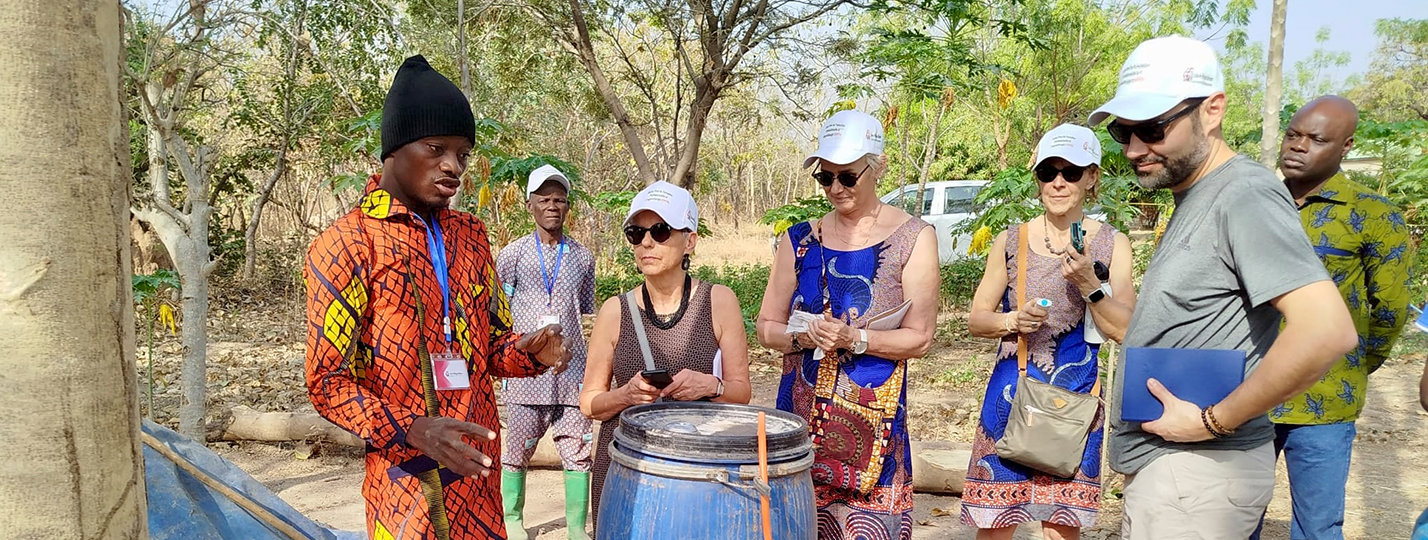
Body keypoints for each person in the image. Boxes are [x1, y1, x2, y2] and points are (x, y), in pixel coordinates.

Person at [1087, 36, 1358, 539]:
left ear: (1211, 111)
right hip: (1176, 475)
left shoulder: (1245, 194)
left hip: (1197, 475)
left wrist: (1214, 421)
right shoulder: (1200, 196)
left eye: (1151, 128)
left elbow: (1326, 332)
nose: (1133, 149)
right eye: (1124, 132)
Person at [304, 55, 571, 540]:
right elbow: (327, 382)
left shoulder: (471, 236)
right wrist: (410, 428)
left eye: (463, 154)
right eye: (436, 148)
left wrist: (529, 353)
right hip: (404, 489)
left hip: (478, 481)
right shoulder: (347, 244)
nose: (453, 166)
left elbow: (491, 346)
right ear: (394, 150)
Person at [754, 109, 940, 539]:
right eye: (825, 178)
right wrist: (802, 335)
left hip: (874, 423)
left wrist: (854, 338)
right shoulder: (799, 239)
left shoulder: (913, 237)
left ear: (879, 167)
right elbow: (766, 326)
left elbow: (920, 338)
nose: (835, 188)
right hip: (801, 421)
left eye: (848, 177)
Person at [1246, 96, 1413, 540]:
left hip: (1323, 400)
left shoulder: (1373, 216)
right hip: (1245, 392)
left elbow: (1390, 309)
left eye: (1316, 139)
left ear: (1346, 146)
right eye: (1293, 134)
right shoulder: (1252, 204)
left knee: (1317, 525)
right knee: (1234, 516)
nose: (1298, 146)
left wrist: (1350, 363)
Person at [959, 124, 1137, 539]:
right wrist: (1011, 321)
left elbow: (1125, 329)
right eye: (1047, 172)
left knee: (1061, 527)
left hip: (1075, 405)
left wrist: (1090, 286)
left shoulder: (1114, 244)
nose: (1058, 182)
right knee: (995, 523)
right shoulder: (1010, 240)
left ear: (1092, 177)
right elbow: (976, 319)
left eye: (1071, 172)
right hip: (1010, 399)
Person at [579, 181, 752, 528]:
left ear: (690, 239)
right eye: (636, 232)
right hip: (625, 468)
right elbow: (589, 402)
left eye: (660, 231)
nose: (646, 242)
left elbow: (741, 392)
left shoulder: (719, 301)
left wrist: (711, 386)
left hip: (696, 473)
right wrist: (626, 394)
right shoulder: (615, 311)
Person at [496, 164, 597, 540]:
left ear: (568, 207)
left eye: (560, 200)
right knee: (517, 449)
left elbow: (584, 311)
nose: (553, 206)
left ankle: (574, 528)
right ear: (530, 205)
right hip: (525, 373)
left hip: (571, 374)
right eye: (544, 199)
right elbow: (498, 312)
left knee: (578, 451)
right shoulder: (512, 255)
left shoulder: (583, 257)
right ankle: (512, 519)